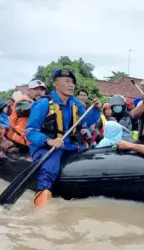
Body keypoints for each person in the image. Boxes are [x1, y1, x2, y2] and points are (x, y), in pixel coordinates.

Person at [25, 69, 101, 208]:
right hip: (47, 147)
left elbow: (86, 122)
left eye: (72, 82)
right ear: (55, 84)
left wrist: (96, 109)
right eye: (66, 81)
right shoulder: (43, 104)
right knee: (49, 168)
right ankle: (42, 202)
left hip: (70, 146)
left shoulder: (76, 104)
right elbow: (30, 131)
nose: (71, 85)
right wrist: (48, 140)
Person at [7, 79, 47, 151]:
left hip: (32, 139)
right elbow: (29, 109)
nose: (39, 92)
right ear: (28, 91)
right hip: (21, 141)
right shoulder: (23, 100)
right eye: (35, 89)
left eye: (42, 90)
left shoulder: (39, 102)